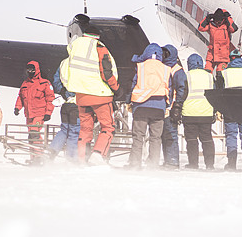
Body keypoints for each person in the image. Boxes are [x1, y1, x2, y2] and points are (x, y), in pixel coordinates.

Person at [63, 24, 121, 164]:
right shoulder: (99, 48)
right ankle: (98, 154)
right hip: (100, 95)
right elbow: (106, 73)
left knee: (85, 129)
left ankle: (81, 159)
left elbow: (65, 72)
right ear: (97, 36)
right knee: (108, 127)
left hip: (81, 96)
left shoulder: (74, 48)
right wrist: (116, 88)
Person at [127, 43, 171, 169]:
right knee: (155, 138)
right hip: (159, 107)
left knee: (138, 137)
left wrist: (128, 101)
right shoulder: (166, 69)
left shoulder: (140, 67)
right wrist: (167, 105)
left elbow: (133, 84)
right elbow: (169, 87)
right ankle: (153, 165)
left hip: (141, 106)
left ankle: (135, 164)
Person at [216, 49, 242, 171]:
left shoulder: (224, 73)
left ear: (230, 59)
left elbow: (219, 93)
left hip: (230, 109)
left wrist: (219, 109)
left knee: (231, 135)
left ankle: (231, 163)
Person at [14, 61, 55, 164]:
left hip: (39, 115)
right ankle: (33, 157)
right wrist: (17, 108)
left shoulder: (44, 83)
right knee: (31, 135)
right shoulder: (25, 84)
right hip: (29, 115)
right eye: (28, 70)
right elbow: (21, 97)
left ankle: (39, 156)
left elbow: (50, 99)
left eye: (32, 69)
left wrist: (48, 113)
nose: (30, 72)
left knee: (34, 133)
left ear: (36, 70)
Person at [181, 53, 216, 170]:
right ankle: (210, 164)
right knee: (207, 139)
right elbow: (215, 95)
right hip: (206, 113)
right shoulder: (210, 76)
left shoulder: (187, 76)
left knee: (191, 140)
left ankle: (193, 164)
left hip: (189, 113)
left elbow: (182, 94)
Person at [160, 44, 187, 169]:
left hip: (172, 107)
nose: (163, 55)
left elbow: (182, 88)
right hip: (164, 107)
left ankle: (173, 161)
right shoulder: (163, 67)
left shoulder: (177, 70)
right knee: (164, 136)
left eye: (166, 53)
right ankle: (168, 160)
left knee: (171, 135)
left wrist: (177, 105)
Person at [49, 56, 80, 162]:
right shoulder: (82, 63)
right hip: (77, 105)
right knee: (74, 132)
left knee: (64, 130)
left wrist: (64, 92)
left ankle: (51, 151)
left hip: (65, 104)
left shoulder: (64, 62)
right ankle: (71, 159)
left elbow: (56, 79)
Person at [198, 8, 238, 72]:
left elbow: (234, 29)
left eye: (219, 21)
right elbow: (201, 28)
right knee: (207, 72)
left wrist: (228, 18)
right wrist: (207, 19)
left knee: (220, 74)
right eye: (216, 21)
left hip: (223, 56)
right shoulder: (211, 25)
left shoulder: (226, 26)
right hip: (212, 55)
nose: (218, 22)